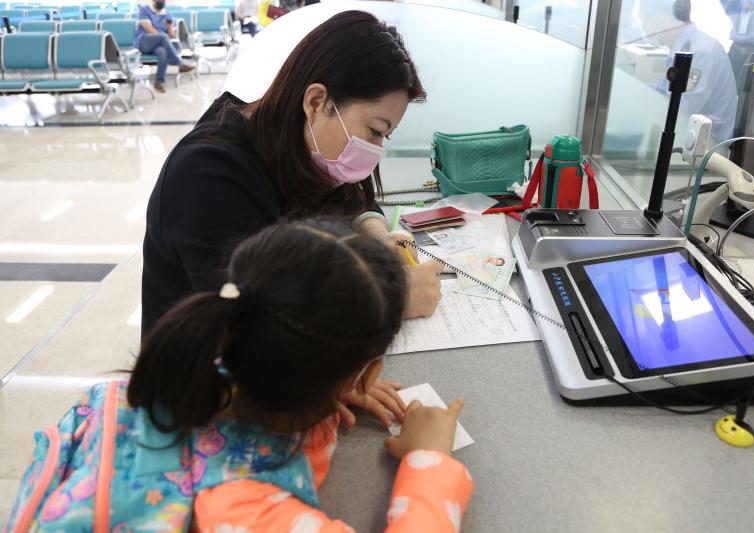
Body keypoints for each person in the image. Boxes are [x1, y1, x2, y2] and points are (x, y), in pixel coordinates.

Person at [4, 220, 472, 530]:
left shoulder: (174, 377)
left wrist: (319, 386)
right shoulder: (243, 509)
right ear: (364, 376)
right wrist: (428, 459)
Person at [142, 11, 443, 334]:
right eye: (374, 131)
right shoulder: (208, 177)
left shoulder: (296, 143)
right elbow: (257, 321)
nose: (375, 149)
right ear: (316, 102)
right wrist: (394, 301)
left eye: (385, 136)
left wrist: (379, 236)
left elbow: (349, 193)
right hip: (208, 360)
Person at [656, 0, 738, 140]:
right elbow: (661, 91)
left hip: (707, 144)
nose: (644, 29)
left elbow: (681, 111)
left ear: (661, 19)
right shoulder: (682, 48)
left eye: (644, 21)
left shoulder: (699, 52)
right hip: (689, 137)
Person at [135, 0, 195, 93]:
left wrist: (169, 27)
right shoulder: (144, 10)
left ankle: (159, 82)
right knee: (163, 37)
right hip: (144, 41)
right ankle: (178, 63)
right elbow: (148, 28)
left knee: (162, 52)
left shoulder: (167, 14)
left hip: (159, 44)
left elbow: (171, 35)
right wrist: (162, 37)